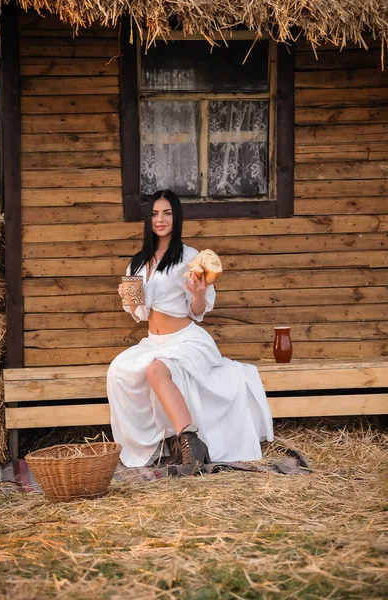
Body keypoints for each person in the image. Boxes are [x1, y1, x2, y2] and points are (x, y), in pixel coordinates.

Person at [107, 190, 274, 469]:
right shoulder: (137, 262)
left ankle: (191, 444)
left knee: (155, 370)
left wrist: (199, 292)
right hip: (153, 341)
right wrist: (127, 297)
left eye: (167, 213)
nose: (160, 220)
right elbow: (140, 313)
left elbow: (198, 312)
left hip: (186, 340)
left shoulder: (190, 257)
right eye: (155, 214)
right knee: (118, 372)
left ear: (177, 217)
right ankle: (158, 443)